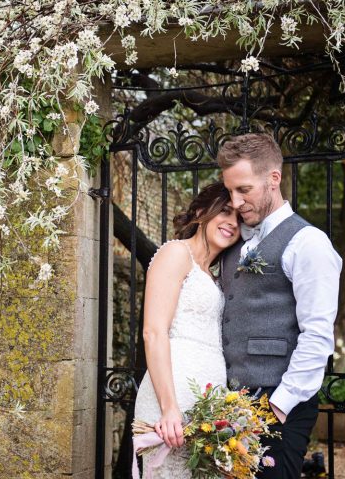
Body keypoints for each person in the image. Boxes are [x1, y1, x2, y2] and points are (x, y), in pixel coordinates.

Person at [217, 133, 342, 479]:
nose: (236, 201)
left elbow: (317, 334)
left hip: (279, 401)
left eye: (244, 189)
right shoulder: (232, 243)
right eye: (230, 191)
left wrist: (279, 405)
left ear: (274, 179)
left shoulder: (308, 243)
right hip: (231, 403)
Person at [133, 182, 240, 478]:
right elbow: (154, 332)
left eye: (239, 219)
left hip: (208, 405)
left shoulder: (216, 274)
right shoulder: (176, 254)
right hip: (173, 400)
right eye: (226, 212)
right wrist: (169, 408)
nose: (232, 223)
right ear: (202, 211)